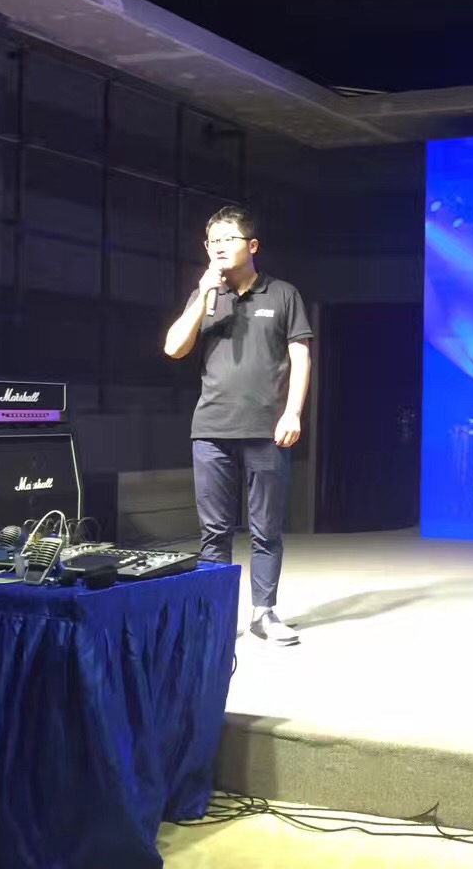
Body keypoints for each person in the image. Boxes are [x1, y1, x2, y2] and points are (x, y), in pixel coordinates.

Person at [163, 206, 312, 646]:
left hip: (267, 429)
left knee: (266, 529)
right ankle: (216, 614)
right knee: (214, 531)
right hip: (211, 429)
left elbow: (301, 356)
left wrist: (293, 412)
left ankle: (264, 613)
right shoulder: (206, 294)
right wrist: (203, 295)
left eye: (229, 239)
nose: (219, 247)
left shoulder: (282, 293)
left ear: (252, 245)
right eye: (213, 241)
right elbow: (174, 348)